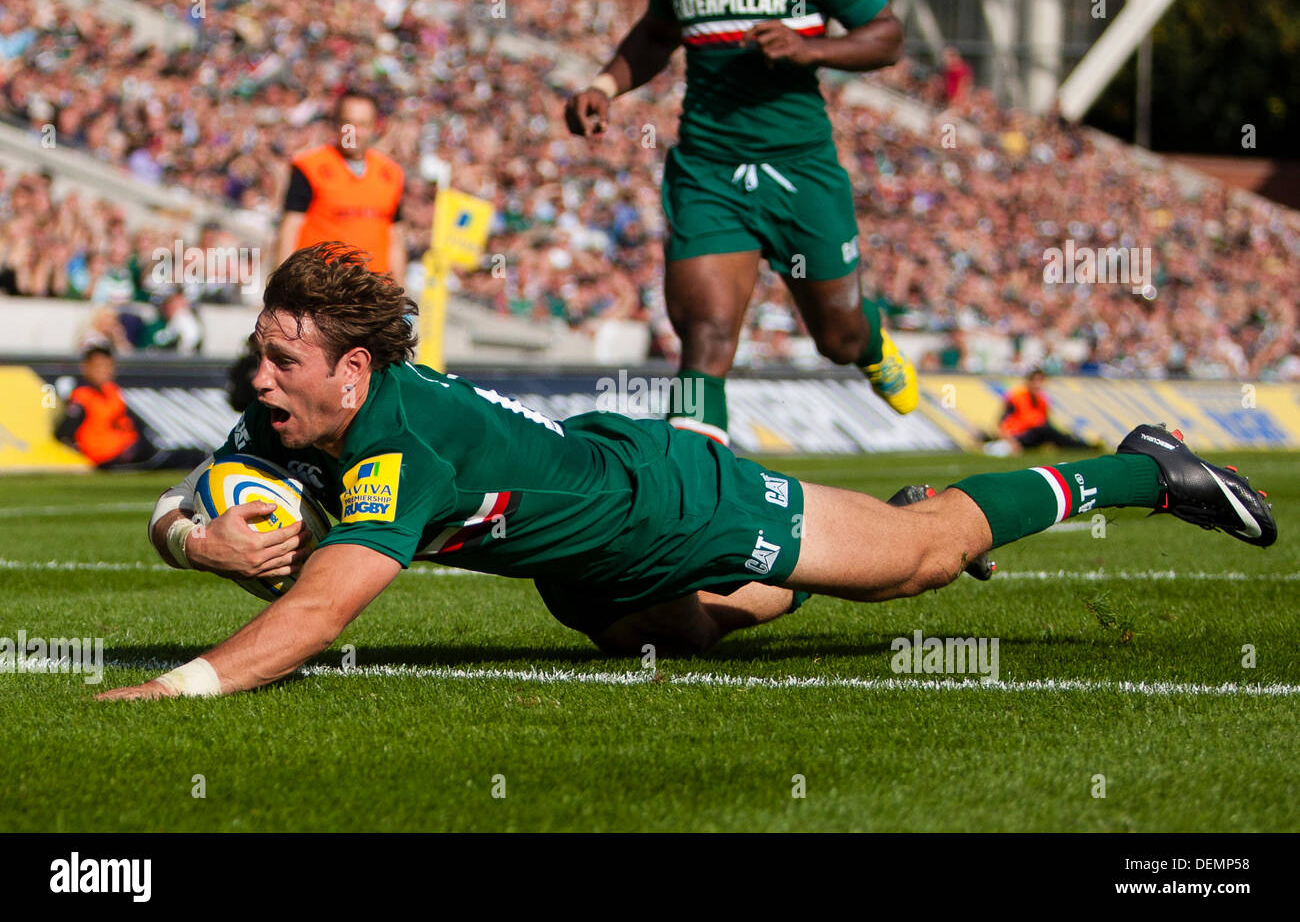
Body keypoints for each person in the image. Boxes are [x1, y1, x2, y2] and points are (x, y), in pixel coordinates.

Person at [97, 244, 1276, 701]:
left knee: (921, 562)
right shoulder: (288, 416)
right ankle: (846, 539)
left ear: (352, 371)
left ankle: (1142, 470)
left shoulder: (396, 447)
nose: (257, 376)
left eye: (282, 358)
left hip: (666, 502)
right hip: (579, 559)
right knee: (679, 637)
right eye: (260, 352)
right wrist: (195, 539)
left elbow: (321, 609)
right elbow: (177, 501)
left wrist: (180, 685)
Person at [563, 0, 917, 446]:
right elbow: (657, 33)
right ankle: (690, 477)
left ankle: (869, 343)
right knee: (705, 335)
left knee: (839, 338)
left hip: (801, 171)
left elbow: (887, 38)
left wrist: (811, 48)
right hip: (708, 173)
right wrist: (604, 86)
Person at [277, 90, 406, 291]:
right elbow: (290, 228)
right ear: (336, 124)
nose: (354, 132)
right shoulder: (310, 167)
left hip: (372, 291)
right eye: (348, 123)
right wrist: (282, 286)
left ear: (374, 127)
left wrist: (400, 292)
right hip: (320, 288)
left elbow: (395, 238)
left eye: (362, 124)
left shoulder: (391, 174)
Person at [56, 345, 204, 470]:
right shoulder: (82, 397)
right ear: (86, 368)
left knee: (183, 456)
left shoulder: (112, 391)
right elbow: (64, 432)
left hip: (129, 448)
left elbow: (131, 422)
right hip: (110, 456)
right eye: (99, 367)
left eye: (108, 366)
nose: (104, 371)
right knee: (177, 458)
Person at [997, 369, 1093, 454]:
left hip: (1036, 435)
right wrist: (1012, 443)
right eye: (1035, 381)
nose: (1038, 384)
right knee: (1047, 431)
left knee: (1056, 433)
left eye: (1041, 381)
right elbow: (1002, 424)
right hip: (1018, 436)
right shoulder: (1016, 397)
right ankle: (1081, 447)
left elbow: (1045, 421)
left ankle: (1082, 446)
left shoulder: (1042, 400)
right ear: (1028, 381)